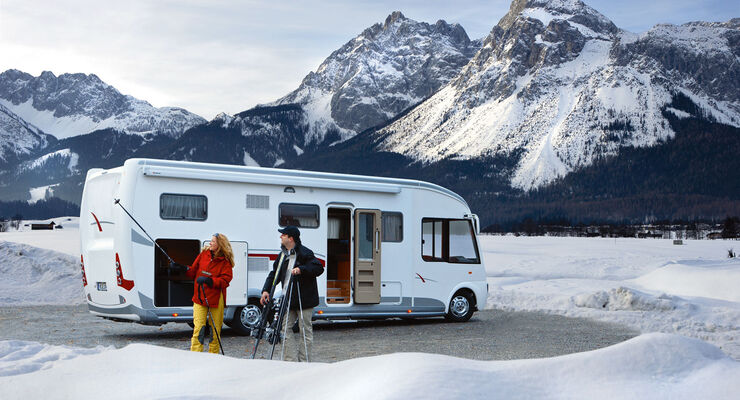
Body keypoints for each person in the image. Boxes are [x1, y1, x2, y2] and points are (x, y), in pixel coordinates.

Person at [260, 225, 323, 361]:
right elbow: (274, 274)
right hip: (288, 300)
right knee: (284, 329)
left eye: (283, 235)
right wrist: (266, 290)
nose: (280, 237)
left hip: (304, 300)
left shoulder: (306, 253)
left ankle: (304, 361)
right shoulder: (282, 255)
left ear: (291, 238)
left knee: (305, 331)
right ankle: (291, 361)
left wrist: (301, 269)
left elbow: (318, 268)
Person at [170, 233, 234, 353]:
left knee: (215, 332)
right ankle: (195, 356)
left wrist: (210, 281)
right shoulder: (203, 255)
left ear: (219, 245)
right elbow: (193, 271)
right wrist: (182, 268)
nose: (210, 243)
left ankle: (213, 356)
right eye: (211, 241)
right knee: (198, 328)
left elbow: (226, 280)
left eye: (213, 241)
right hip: (199, 298)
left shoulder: (225, 262)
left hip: (215, 299)